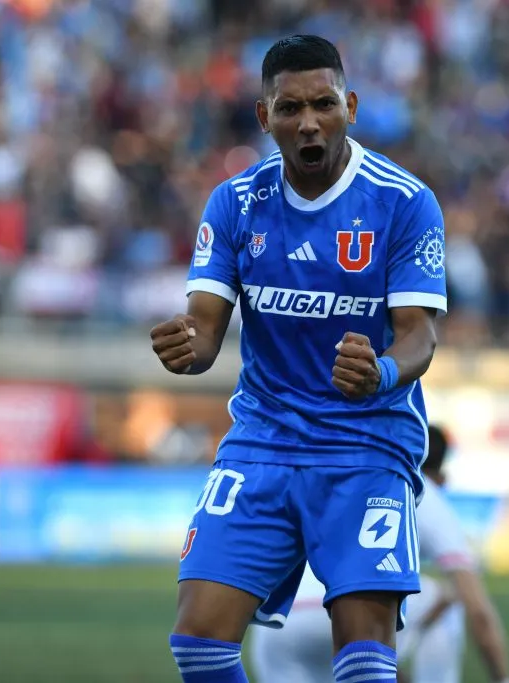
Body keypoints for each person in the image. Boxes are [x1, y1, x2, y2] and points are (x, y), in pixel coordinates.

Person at [149, 35, 447, 683]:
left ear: (351, 107)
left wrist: (383, 373)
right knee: (198, 640)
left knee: (364, 655)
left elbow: (419, 335)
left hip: (367, 443)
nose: (308, 121)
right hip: (264, 442)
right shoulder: (235, 203)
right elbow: (204, 332)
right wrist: (186, 348)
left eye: (324, 104)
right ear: (265, 117)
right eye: (290, 108)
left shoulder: (404, 202)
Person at [249, 425, 509, 683]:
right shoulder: (421, 489)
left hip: (278, 623)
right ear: (442, 476)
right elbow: (478, 610)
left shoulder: (340, 473)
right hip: (347, 609)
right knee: (447, 597)